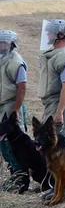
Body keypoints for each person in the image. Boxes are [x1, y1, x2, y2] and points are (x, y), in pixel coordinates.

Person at [37, 19, 65, 143]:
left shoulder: (64, 57)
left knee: (61, 141)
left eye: (51, 33)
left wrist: (59, 112)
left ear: (60, 35)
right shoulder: (54, 54)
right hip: (51, 103)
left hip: (58, 103)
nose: (48, 35)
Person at [0, 30, 28, 192]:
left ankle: (21, 177)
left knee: (14, 142)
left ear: (11, 44)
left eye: (2, 42)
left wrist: (16, 110)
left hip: (10, 104)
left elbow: (22, 87)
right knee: (2, 142)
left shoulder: (16, 62)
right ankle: (13, 174)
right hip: (1, 105)